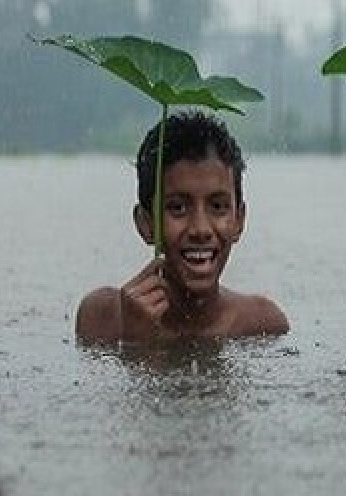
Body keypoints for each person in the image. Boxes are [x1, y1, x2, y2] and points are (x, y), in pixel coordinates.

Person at [75, 110, 289, 345]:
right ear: (146, 224)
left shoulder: (261, 326)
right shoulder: (103, 319)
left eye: (217, 206)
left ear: (239, 220)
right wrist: (137, 343)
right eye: (178, 208)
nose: (200, 229)